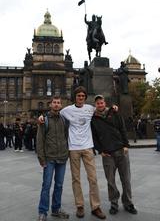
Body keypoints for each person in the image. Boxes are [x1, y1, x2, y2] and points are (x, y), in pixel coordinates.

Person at [39, 86, 106, 219]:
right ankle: (79, 206)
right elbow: (53, 113)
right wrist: (42, 117)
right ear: (74, 97)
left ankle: (96, 207)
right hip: (73, 149)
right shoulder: (66, 110)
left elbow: (102, 109)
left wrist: (113, 108)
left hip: (88, 148)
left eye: (83, 96)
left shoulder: (90, 109)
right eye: (78, 96)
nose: (80, 98)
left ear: (85, 97)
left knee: (93, 178)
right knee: (76, 179)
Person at [91, 95, 137, 215]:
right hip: (108, 154)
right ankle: (114, 203)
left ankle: (128, 203)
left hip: (121, 151)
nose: (100, 105)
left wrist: (126, 145)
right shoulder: (93, 119)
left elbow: (122, 128)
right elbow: (94, 137)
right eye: (98, 103)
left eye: (101, 103)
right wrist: (100, 150)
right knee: (110, 181)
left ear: (104, 103)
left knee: (126, 179)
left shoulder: (114, 112)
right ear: (95, 105)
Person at [37, 96, 69, 221]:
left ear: (61, 105)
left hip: (62, 157)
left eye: (58, 103)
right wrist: (41, 159)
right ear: (50, 105)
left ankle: (56, 209)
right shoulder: (44, 120)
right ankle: (43, 211)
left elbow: (66, 137)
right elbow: (40, 140)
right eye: (54, 103)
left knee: (59, 185)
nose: (56, 104)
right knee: (46, 185)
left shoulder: (64, 120)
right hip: (49, 158)